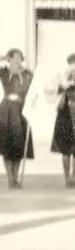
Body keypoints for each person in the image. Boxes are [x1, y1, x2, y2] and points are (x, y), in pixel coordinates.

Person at [0, 49, 34, 189]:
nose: (16, 61)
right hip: (7, 110)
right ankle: (10, 177)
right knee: (6, 145)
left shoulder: (28, 74)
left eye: (19, 58)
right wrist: (0, 58)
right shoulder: (4, 72)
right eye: (13, 58)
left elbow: (36, 89)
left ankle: (15, 177)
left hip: (22, 110)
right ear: (9, 60)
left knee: (19, 145)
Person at [49, 53, 75, 188]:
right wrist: (62, 84)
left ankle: (73, 177)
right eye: (72, 64)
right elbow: (52, 95)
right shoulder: (61, 82)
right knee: (65, 150)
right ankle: (67, 178)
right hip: (65, 117)